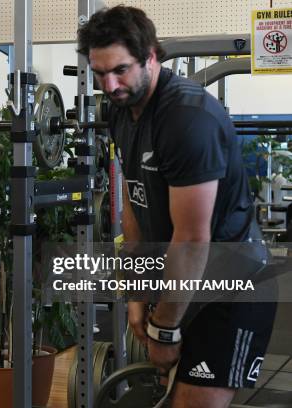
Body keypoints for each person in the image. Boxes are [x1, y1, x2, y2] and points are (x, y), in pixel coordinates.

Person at [78, 6, 276, 407]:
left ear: (151, 55)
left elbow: (191, 239)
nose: (110, 85)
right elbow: (133, 203)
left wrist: (163, 331)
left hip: (230, 289)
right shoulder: (122, 111)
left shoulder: (187, 120)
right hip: (184, 284)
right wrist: (136, 292)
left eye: (120, 70)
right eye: (99, 73)